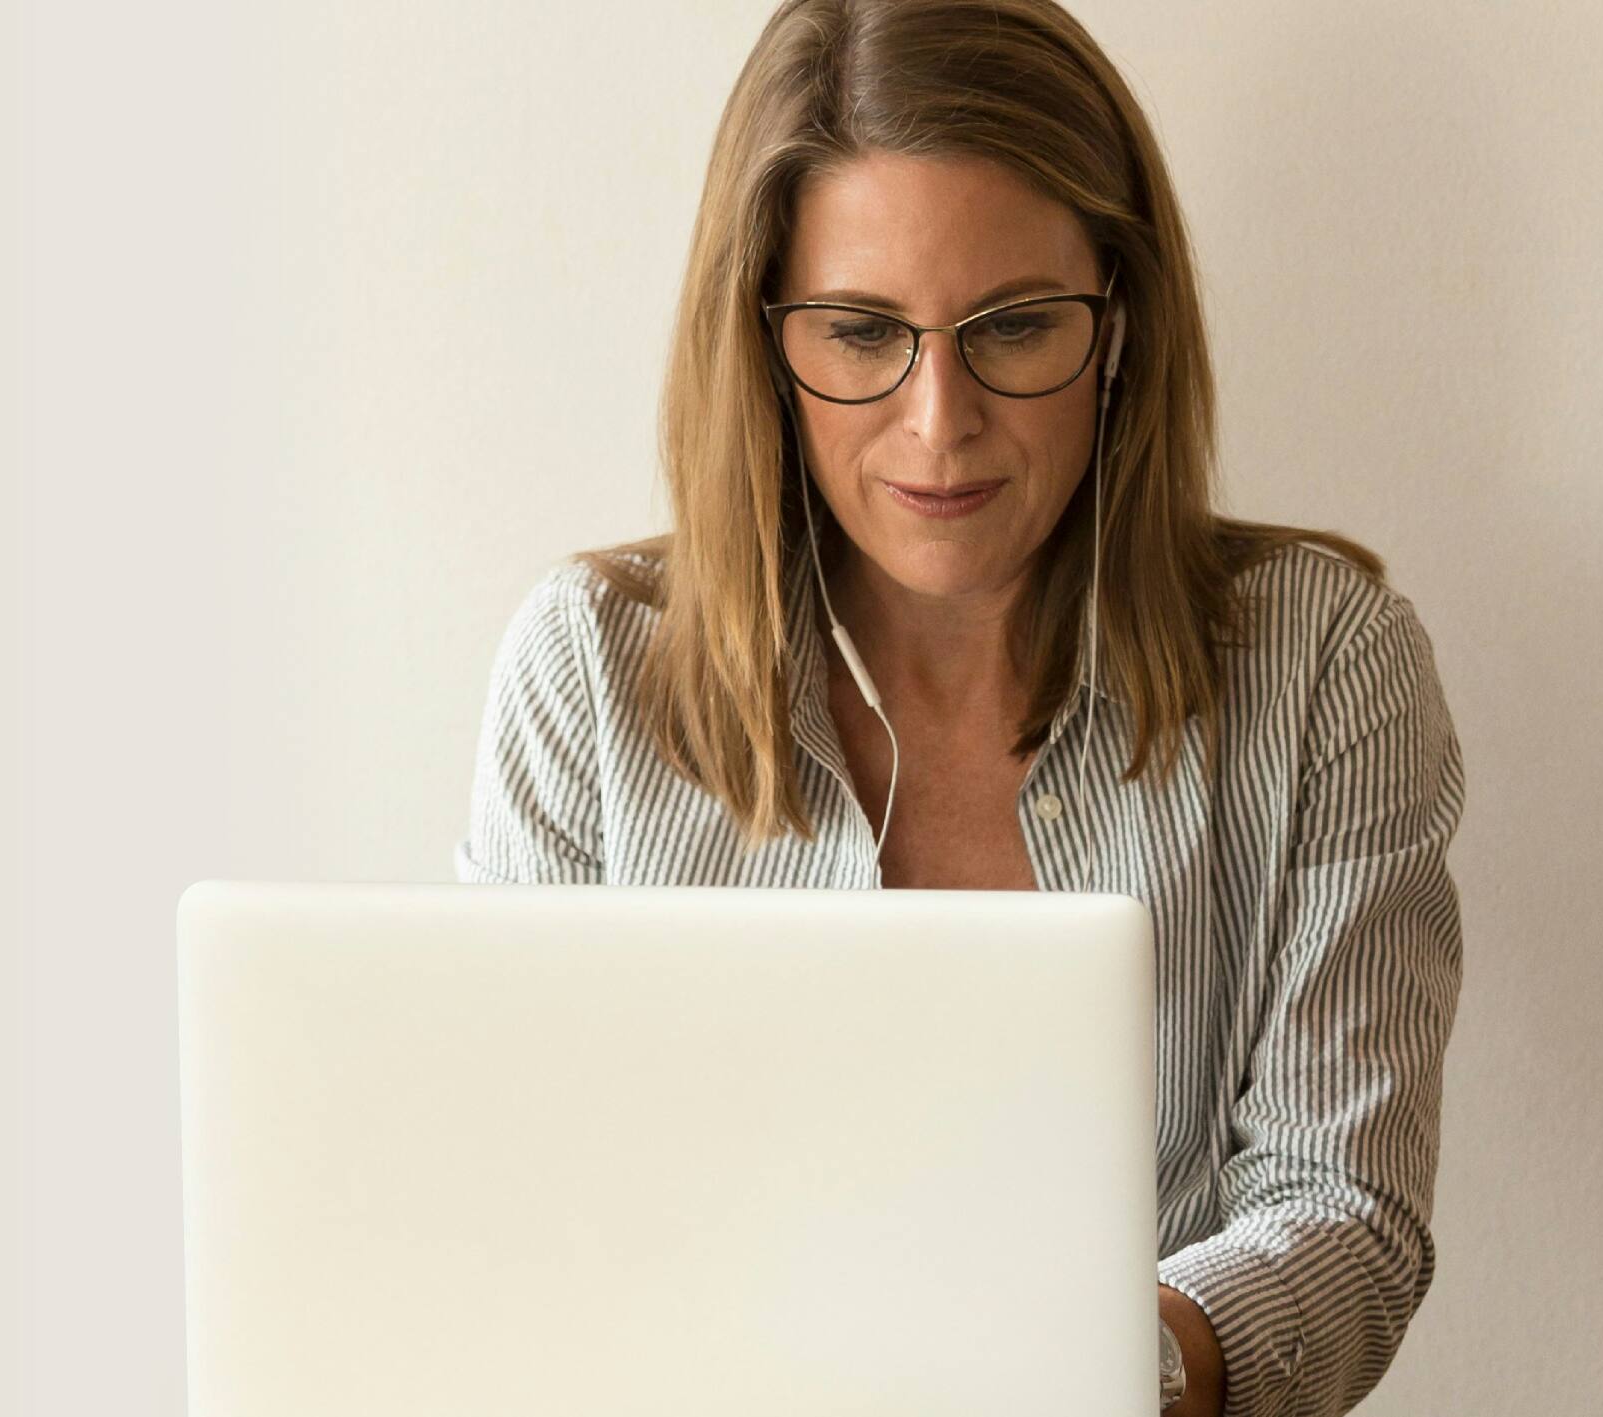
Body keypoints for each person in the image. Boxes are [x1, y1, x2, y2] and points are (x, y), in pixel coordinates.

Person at [451, 2, 1468, 1414]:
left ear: (1118, 321)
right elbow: (506, 1200)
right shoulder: (589, 672)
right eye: (862, 332)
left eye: (1013, 327)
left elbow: (1344, 1211)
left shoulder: (1322, 664)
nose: (939, 421)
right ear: (758, 340)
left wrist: (1113, 1373)